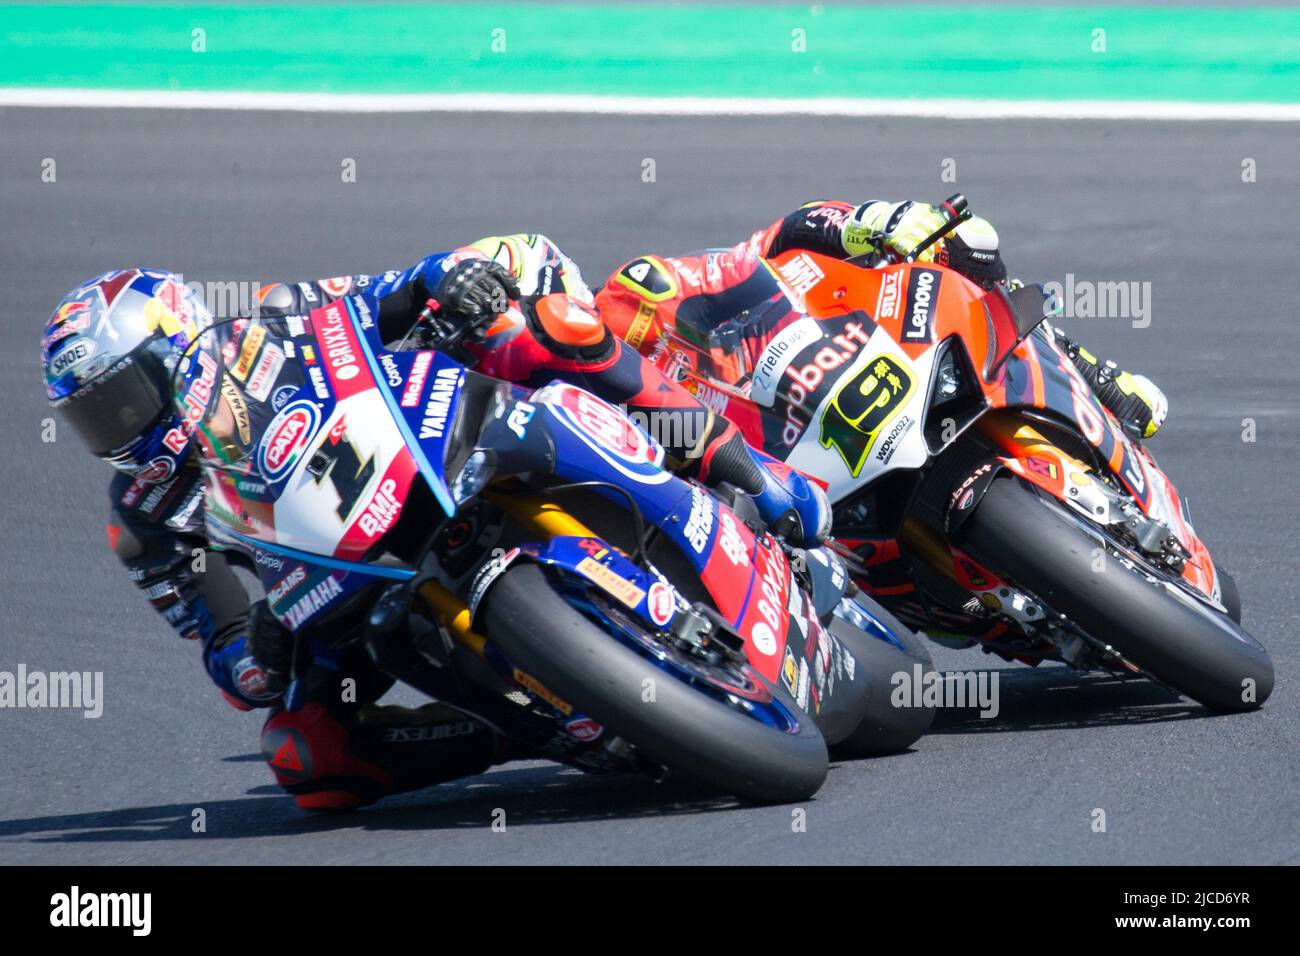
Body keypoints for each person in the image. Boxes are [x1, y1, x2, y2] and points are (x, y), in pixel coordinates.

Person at [40, 236, 829, 810]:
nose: (113, 430)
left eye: (121, 400)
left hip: (422, 448)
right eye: (89, 418)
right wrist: (259, 652)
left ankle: (753, 477)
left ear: (177, 351)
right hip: (334, 590)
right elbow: (223, 648)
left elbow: (390, 289)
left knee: (549, 327)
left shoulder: (271, 323)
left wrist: (453, 283)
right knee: (303, 758)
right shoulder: (147, 517)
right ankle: (520, 730)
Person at [595, 199, 1167, 440]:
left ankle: (1089, 376)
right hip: (798, 460)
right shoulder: (637, 405)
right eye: (638, 341)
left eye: (650, 325)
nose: (654, 339)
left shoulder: (706, 283)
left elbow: (783, 234)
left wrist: (879, 223)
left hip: (869, 353)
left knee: (964, 241)